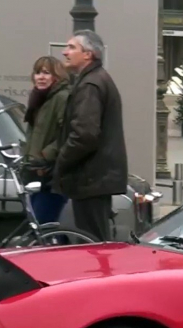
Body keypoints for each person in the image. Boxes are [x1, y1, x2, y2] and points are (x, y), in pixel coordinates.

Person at [54, 30, 127, 241]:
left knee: (92, 244)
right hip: (95, 177)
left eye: (71, 47)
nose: (64, 52)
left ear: (88, 54)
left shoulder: (90, 84)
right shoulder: (95, 80)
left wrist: (61, 161)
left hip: (91, 178)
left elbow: (84, 135)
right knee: (95, 240)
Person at [22, 56, 71, 225]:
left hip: (52, 174)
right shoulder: (39, 98)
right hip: (38, 172)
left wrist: (45, 155)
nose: (40, 77)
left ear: (56, 76)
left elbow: (66, 134)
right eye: (37, 73)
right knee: (39, 225)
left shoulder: (61, 97)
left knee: (42, 224)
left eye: (46, 73)